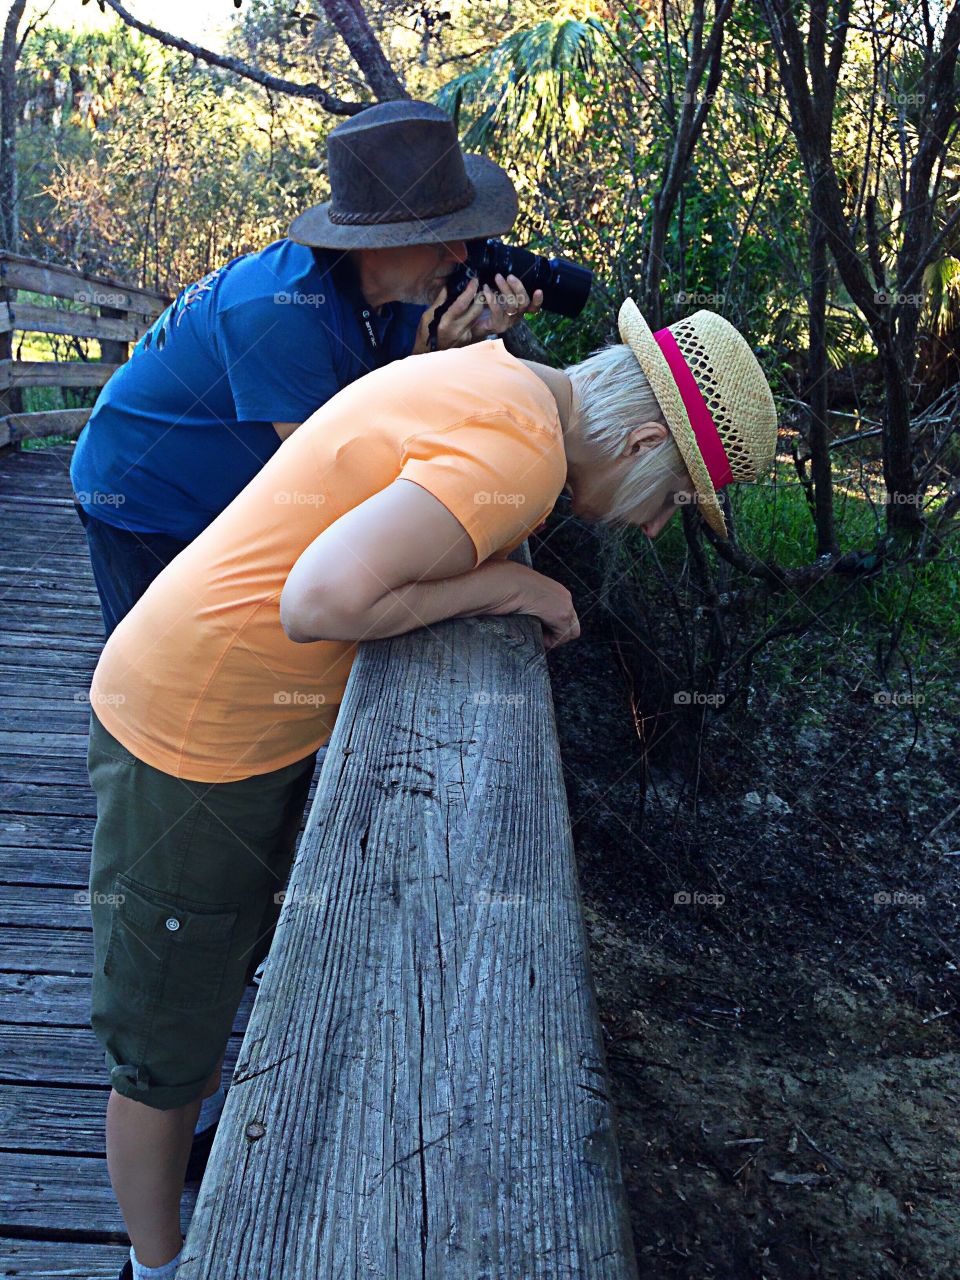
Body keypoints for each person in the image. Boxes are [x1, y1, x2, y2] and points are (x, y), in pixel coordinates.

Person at [85, 298, 777, 1280]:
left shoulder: (500, 380)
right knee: (162, 1047)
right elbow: (320, 597)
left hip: (235, 721)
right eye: (674, 495)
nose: (658, 523)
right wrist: (511, 587)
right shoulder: (519, 455)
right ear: (641, 437)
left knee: (212, 980)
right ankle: (154, 1264)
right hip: (189, 734)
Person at [69, 100, 544, 637]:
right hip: (145, 495)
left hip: (234, 487)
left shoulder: (402, 291)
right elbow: (335, 471)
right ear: (374, 245)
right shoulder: (277, 311)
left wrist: (451, 352)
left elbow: (372, 407)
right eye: (439, 238)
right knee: (155, 658)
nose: (461, 255)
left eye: (466, 236)